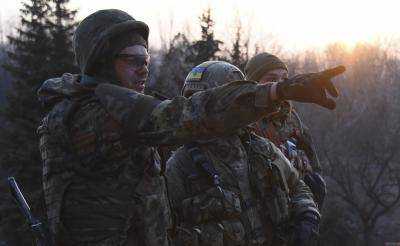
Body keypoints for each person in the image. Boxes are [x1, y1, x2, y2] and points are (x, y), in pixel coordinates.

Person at [37, 9, 344, 245]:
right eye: (132, 59)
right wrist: (277, 91)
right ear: (102, 61)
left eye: (145, 57)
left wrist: (305, 212)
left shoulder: (113, 108)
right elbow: (188, 115)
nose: (144, 67)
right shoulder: (90, 117)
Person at [167, 61, 324, 246]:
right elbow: (164, 230)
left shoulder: (260, 148)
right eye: (197, 103)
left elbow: (297, 185)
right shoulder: (179, 166)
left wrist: (307, 216)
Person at [245, 52, 327, 208]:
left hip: (297, 214)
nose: (280, 84)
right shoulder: (245, 123)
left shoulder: (294, 122)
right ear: (254, 83)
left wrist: (314, 185)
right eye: (272, 79)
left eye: (284, 79)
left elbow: (313, 164)